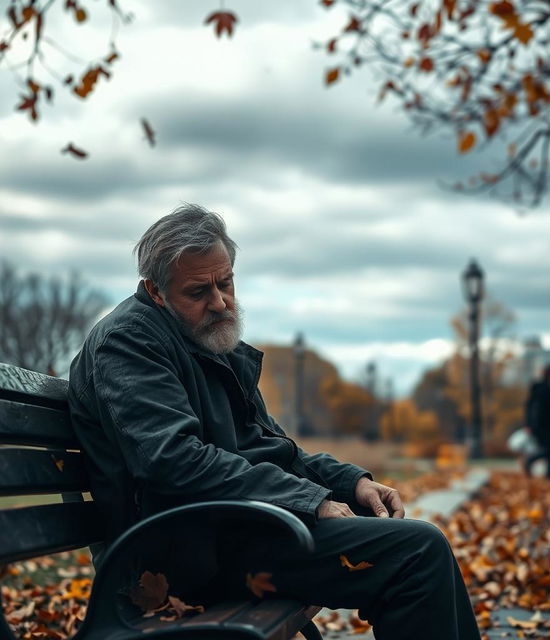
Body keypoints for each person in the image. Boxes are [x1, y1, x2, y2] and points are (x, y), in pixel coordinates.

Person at [68, 204, 480, 640]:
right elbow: (173, 459)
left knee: (412, 542)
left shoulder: (203, 341)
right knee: (416, 553)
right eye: (197, 291)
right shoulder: (128, 342)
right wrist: (310, 500)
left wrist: (350, 483)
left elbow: (272, 445)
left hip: (228, 532)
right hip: (177, 557)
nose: (220, 302)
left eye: (225, 283)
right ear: (155, 291)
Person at [523, 364, 550, 479]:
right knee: (548, 449)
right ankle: (530, 461)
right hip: (545, 424)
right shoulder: (545, 389)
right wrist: (533, 424)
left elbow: (529, 407)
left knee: (549, 449)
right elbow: (541, 409)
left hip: (543, 424)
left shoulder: (540, 388)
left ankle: (549, 473)